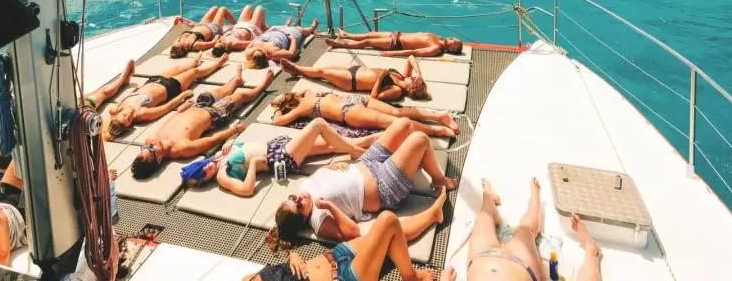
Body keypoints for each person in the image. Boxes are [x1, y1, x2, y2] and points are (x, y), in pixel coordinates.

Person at [268, 118, 456, 246]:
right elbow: (353, 233)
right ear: (303, 218)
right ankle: (438, 178)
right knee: (419, 139)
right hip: (384, 188)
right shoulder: (319, 221)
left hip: (366, 162)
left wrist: (330, 167)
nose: (299, 198)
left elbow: (321, 178)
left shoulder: (304, 188)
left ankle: (411, 160)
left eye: (293, 198)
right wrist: (329, 206)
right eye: (299, 206)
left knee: (404, 124)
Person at [443, 178, 603, 281]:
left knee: (484, 218)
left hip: (481, 257)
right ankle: (591, 252)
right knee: (526, 229)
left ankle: (488, 195)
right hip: (521, 264)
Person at [130, 66, 275, 179]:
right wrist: (235, 130)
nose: (151, 145)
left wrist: (180, 109)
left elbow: (169, 123)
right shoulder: (182, 148)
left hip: (196, 106)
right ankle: (262, 86)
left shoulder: (152, 140)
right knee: (240, 95)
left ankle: (237, 81)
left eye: (146, 146)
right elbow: (211, 140)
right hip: (215, 114)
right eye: (152, 150)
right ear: (159, 159)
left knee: (222, 90)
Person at [180, 116, 378, 196]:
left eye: (202, 168)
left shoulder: (218, 157)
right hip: (282, 157)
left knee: (331, 145)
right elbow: (246, 190)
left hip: (279, 146)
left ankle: (376, 139)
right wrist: (254, 165)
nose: (207, 171)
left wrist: (229, 142)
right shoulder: (222, 176)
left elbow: (239, 144)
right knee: (318, 124)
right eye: (204, 176)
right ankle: (356, 152)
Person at [245, 211, 435, 281]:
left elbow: (283, 271)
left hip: (336, 255)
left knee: (390, 233)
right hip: (346, 276)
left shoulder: (249, 279)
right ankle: (411, 277)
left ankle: (433, 215)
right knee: (388, 221)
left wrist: (293, 255)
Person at [84, 55, 229, 140]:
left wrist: (135, 90)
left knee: (184, 66)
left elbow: (128, 99)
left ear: (117, 115)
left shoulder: (118, 108)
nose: (129, 115)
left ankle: (196, 59)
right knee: (194, 72)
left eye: (125, 115)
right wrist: (182, 96)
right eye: (129, 120)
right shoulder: (141, 114)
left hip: (153, 81)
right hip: (171, 87)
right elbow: (166, 108)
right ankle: (218, 63)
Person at [270, 89, 458, 137]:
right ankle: (439, 116)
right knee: (397, 112)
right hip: (354, 99)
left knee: (392, 121)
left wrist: (278, 108)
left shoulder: (302, 108)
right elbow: (301, 91)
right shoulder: (309, 94)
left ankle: (436, 131)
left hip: (349, 112)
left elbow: (278, 122)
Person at [278, 55, 429, 102]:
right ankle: (297, 72)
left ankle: (295, 68)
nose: (414, 77)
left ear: (411, 88)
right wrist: (420, 74)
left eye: (415, 80)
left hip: (352, 81)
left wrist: (381, 77)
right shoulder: (403, 76)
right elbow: (410, 58)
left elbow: (374, 97)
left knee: (321, 72)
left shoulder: (397, 90)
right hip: (356, 70)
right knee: (324, 70)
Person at [217, 18, 319, 69]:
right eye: (259, 52)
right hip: (286, 35)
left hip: (272, 32)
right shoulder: (274, 54)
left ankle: (285, 24)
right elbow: (291, 53)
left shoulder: (249, 52)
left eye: (255, 52)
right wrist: (292, 39)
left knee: (280, 27)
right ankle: (312, 27)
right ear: (266, 56)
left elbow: (250, 44)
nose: (256, 50)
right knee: (301, 30)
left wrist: (254, 43)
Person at [329, 30, 463, 58]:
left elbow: (414, 52)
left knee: (368, 42)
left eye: (453, 42)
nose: (451, 39)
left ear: (451, 50)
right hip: (397, 34)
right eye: (453, 38)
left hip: (396, 43)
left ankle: (340, 45)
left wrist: (393, 53)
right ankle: (347, 35)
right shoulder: (437, 36)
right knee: (371, 33)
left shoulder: (436, 48)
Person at [169, 6, 236, 57]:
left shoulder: (178, 41)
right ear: (182, 49)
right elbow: (213, 43)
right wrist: (218, 36)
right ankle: (236, 25)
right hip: (213, 28)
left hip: (201, 24)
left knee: (215, 8)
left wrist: (185, 22)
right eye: (175, 48)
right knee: (223, 9)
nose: (173, 46)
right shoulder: (195, 45)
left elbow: (194, 31)